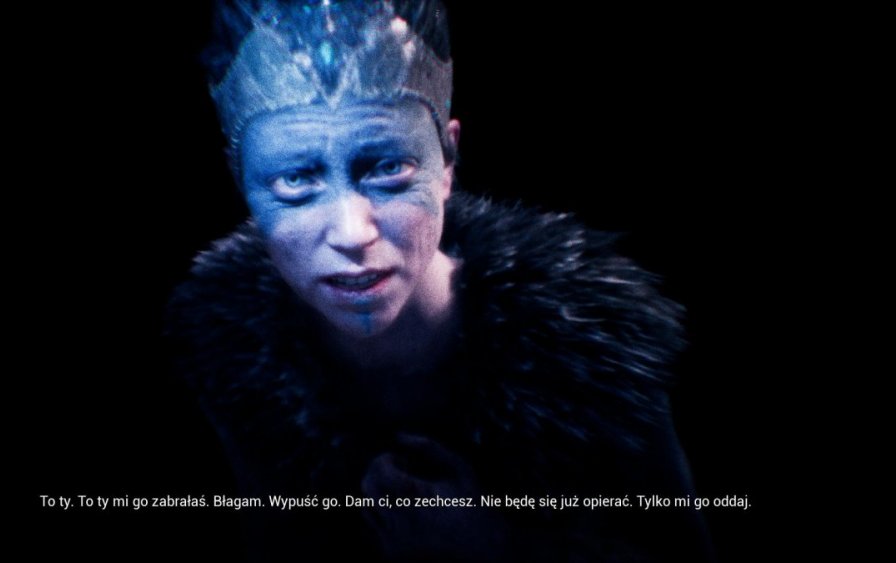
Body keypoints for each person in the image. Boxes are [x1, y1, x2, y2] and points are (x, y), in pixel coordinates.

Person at [166, 1, 715, 560]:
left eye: (388, 168)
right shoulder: (224, 361)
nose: (353, 233)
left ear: (447, 163)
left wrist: (503, 548)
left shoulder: (596, 343)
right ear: (242, 183)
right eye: (294, 180)